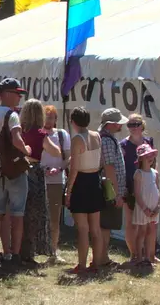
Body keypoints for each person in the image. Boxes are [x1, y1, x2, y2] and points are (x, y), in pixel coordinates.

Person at [0, 79, 31, 264]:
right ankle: (15, 253)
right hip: (14, 170)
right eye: (16, 93)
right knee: (17, 214)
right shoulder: (11, 115)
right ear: (6, 94)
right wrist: (27, 150)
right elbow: (17, 139)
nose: (19, 97)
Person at [66, 108, 105, 274]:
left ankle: (81, 265)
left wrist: (68, 190)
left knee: (82, 228)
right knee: (95, 228)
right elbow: (101, 160)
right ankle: (96, 263)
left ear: (73, 122)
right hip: (94, 180)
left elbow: (74, 169)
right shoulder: (97, 136)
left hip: (81, 182)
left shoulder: (77, 139)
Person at [38, 104, 70, 263]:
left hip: (56, 181)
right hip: (39, 178)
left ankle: (53, 250)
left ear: (56, 119)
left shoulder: (62, 135)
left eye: (51, 117)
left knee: (54, 216)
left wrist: (59, 169)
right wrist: (43, 169)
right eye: (46, 117)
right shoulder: (37, 134)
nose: (48, 120)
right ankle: (37, 248)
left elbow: (68, 157)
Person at [119, 115, 154, 259]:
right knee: (131, 223)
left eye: (136, 124)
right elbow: (120, 168)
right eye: (130, 124)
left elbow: (153, 163)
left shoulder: (149, 141)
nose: (133, 127)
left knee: (148, 223)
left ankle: (149, 255)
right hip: (130, 187)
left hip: (147, 186)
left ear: (142, 125)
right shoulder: (124, 145)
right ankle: (134, 254)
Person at [20, 98, 50, 261]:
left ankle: (19, 248)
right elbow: (56, 150)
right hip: (36, 171)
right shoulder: (41, 134)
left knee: (21, 211)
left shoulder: (19, 131)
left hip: (21, 170)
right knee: (36, 211)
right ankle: (30, 250)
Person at [98, 108, 126, 264]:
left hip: (109, 189)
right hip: (108, 190)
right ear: (111, 124)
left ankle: (103, 256)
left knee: (106, 226)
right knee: (104, 225)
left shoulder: (109, 139)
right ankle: (100, 257)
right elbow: (109, 168)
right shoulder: (107, 141)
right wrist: (115, 193)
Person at [130, 143, 160, 267]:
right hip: (143, 207)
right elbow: (137, 193)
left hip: (153, 207)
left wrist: (158, 206)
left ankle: (148, 257)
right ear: (141, 158)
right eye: (147, 155)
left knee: (151, 231)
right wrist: (144, 208)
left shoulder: (155, 173)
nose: (150, 157)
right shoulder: (138, 173)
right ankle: (139, 258)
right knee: (141, 231)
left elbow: (158, 190)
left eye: (151, 155)